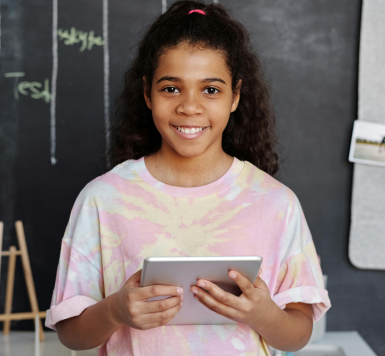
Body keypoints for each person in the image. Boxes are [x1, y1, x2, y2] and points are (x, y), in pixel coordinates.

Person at [45, 1, 331, 355]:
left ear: (235, 95)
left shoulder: (275, 203)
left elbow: (297, 334)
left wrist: (264, 315)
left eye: (210, 90)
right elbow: (72, 335)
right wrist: (116, 310)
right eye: (171, 88)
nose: (189, 107)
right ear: (148, 93)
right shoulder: (103, 199)